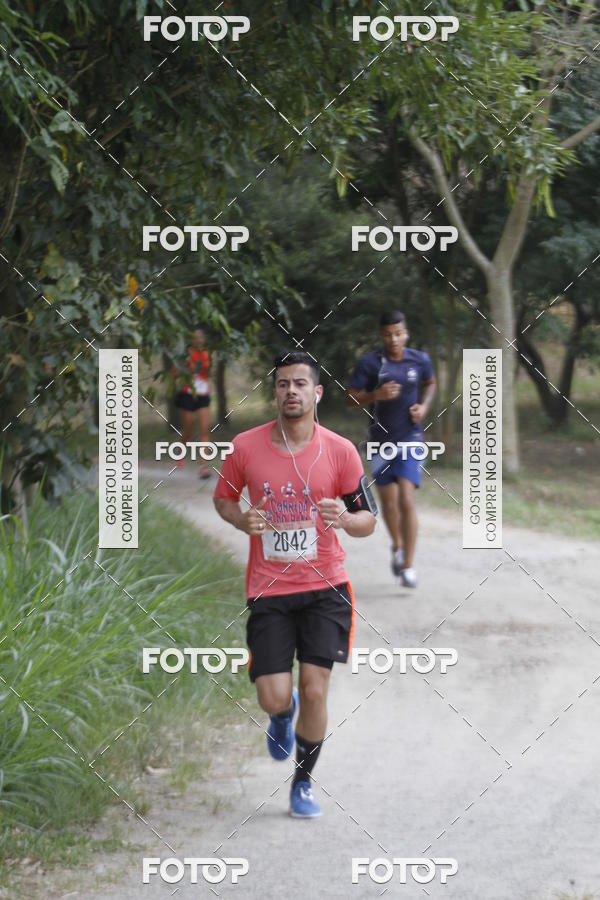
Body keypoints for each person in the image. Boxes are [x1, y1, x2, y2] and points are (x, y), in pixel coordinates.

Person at [213, 351, 377, 818]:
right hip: (270, 590)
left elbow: (369, 520)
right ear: (275, 393)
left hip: (326, 588)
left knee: (317, 686)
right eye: (283, 384)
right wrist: (242, 520)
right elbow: (223, 499)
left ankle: (302, 783)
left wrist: (345, 518)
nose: (291, 391)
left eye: (300, 384)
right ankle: (283, 714)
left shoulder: (340, 450)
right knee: (273, 695)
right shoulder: (246, 447)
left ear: (316, 393)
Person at [346, 311, 436, 588]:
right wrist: (376, 395)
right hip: (379, 442)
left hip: (411, 438)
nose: (393, 339)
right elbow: (350, 397)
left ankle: (408, 566)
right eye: (387, 334)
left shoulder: (419, 359)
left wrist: (424, 407)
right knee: (388, 503)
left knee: (406, 500)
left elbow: (430, 383)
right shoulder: (370, 362)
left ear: (406, 333)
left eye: (398, 333)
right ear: (382, 335)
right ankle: (397, 547)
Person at [172, 327, 212, 478]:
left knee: (204, 431)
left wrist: (209, 377)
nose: (198, 340)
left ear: (203, 339)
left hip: (202, 394)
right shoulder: (185, 353)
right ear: (191, 340)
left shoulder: (207, 354)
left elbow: (208, 372)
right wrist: (186, 372)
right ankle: (181, 449)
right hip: (187, 393)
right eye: (195, 337)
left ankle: (204, 467)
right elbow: (174, 373)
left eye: (200, 337)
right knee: (188, 430)